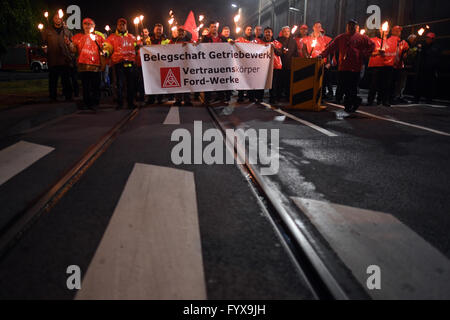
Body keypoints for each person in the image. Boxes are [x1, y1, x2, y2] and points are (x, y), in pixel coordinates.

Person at [320, 19, 375, 113]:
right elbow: (331, 47)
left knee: (352, 87)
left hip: (355, 67)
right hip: (343, 67)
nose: (350, 28)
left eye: (352, 26)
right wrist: (322, 55)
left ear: (355, 27)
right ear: (346, 27)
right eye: (349, 26)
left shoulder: (362, 38)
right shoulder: (341, 37)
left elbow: (372, 45)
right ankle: (355, 101)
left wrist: (364, 54)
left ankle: (348, 105)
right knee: (343, 86)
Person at [69, 18, 105, 111]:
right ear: (83, 25)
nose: (87, 26)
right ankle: (87, 103)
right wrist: (69, 44)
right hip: (83, 66)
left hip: (95, 65)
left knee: (95, 85)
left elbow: (102, 51)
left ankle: (95, 103)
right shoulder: (78, 37)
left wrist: (103, 63)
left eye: (90, 24)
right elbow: (73, 50)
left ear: (93, 26)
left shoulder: (98, 37)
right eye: (85, 24)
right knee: (86, 86)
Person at [104, 18, 138, 109]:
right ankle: (120, 103)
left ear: (126, 26)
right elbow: (107, 48)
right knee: (119, 84)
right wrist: (106, 52)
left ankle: (130, 103)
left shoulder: (132, 37)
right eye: (120, 24)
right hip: (118, 64)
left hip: (130, 64)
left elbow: (138, 47)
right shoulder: (111, 37)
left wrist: (140, 45)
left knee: (130, 84)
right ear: (117, 26)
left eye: (123, 24)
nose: (121, 26)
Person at [40, 12, 73, 102]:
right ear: (53, 19)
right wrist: (44, 48)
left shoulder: (67, 31)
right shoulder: (47, 31)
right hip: (53, 59)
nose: (58, 19)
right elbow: (43, 42)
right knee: (53, 80)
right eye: (55, 18)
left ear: (62, 19)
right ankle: (53, 97)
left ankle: (68, 97)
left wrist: (70, 53)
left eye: (59, 18)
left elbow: (72, 45)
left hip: (64, 59)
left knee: (66, 80)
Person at [201, 22, 228, 105]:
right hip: (209, 64)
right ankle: (207, 100)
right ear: (210, 28)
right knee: (209, 82)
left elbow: (228, 48)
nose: (214, 28)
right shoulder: (205, 38)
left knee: (220, 81)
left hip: (220, 64)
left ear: (217, 28)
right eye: (212, 27)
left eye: (215, 27)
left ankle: (222, 100)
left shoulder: (223, 38)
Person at [254, 27, 283, 104]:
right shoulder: (259, 42)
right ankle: (259, 98)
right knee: (261, 82)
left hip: (274, 66)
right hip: (262, 66)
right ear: (264, 33)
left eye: (269, 32)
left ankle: (272, 99)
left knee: (273, 83)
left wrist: (274, 48)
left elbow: (280, 53)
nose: (267, 33)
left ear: (272, 33)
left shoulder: (276, 43)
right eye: (266, 32)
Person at [170, 27, 193, 107]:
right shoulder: (173, 41)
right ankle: (178, 100)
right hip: (177, 64)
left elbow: (194, 46)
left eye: (182, 32)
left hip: (187, 65)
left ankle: (187, 100)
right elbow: (167, 48)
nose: (181, 33)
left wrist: (189, 45)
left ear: (185, 33)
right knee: (178, 82)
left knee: (187, 82)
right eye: (179, 32)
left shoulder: (189, 40)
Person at [414, 32, 440, 104]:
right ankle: (416, 98)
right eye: (427, 38)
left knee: (430, 84)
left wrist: (436, 69)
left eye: (429, 38)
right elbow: (419, 54)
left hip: (431, 69)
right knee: (419, 83)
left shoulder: (435, 47)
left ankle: (429, 99)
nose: (427, 39)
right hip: (422, 68)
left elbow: (435, 57)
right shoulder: (423, 45)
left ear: (433, 39)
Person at [367, 26, 390, 106]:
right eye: (384, 29)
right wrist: (377, 53)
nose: (385, 30)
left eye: (387, 29)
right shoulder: (373, 40)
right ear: (380, 30)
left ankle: (381, 100)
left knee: (384, 84)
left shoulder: (390, 41)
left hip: (386, 65)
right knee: (374, 84)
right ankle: (370, 100)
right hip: (376, 65)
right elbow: (368, 53)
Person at [277, 26, 299, 101]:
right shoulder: (278, 41)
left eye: (288, 31)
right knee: (279, 82)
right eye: (285, 31)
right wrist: (282, 52)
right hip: (280, 64)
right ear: (282, 32)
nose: (286, 33)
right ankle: (278, 96)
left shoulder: (293, 41)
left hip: (290, 64)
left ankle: (288, 96)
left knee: (288, 82)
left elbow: (296, 53)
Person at [390, 26, 410, 104]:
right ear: (393, 32)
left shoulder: (403, 42)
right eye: (397, 31)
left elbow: (407, 51)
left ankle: (395, 97)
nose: (399, 32)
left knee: (398, 82)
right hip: (389, 65)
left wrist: (406, 53)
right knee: (390, 82)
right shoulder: (388, 41)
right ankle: (387, 97)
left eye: (399, 31)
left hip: (398, 66)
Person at [236, 25, 255, 103]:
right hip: (242, 63)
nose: (250, 31)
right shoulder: (240, 39)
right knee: (242, 80)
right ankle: (240, 97)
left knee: (251, 81)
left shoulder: (255, 40)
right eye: (248, 29)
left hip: (251, 64)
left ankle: (251, 97)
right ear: (245, 31)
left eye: (251, 29)